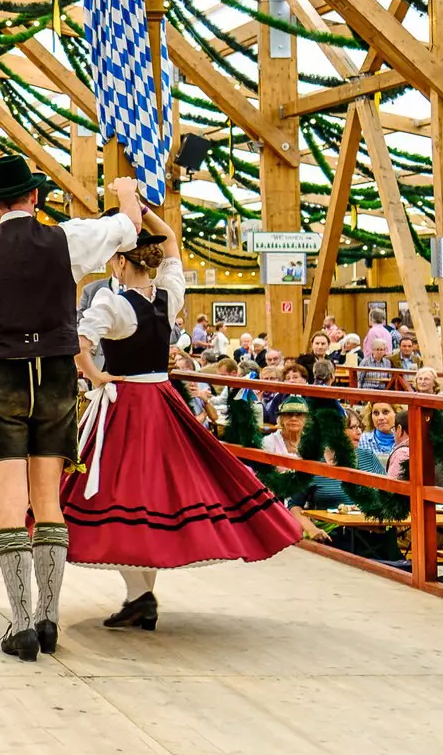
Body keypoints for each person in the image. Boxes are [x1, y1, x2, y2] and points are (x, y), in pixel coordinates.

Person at [0, 157, 142, 662]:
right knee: (50, 502)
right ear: (33, 197)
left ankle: (20, 626)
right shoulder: (68, 238)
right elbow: (129, 227)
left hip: (3, 374)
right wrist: (125, 191)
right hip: (57, 374)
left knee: (11, 503)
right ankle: (49, 620)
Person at [64, 207, 303, 633]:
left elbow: (80, 342)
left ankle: (140, 597)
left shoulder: (112, 301)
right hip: (162, 401)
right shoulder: (168, 296)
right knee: (156, 494)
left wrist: (97, 375)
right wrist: (145, 214)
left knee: (119, 497)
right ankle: (141, 598)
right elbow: (171, 241)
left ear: (119, 262)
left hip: (127, 404)